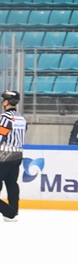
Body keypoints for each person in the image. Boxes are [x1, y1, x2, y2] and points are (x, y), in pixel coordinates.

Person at [0, 89, 25, 222]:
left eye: (3, 99)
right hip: (17, 154)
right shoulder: (21, 117)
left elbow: (1, 135)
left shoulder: (5, 118)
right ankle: (13, 210)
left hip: (4, 155)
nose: (2, 101)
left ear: (7, 102)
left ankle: (9, 212)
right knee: (11, 183)